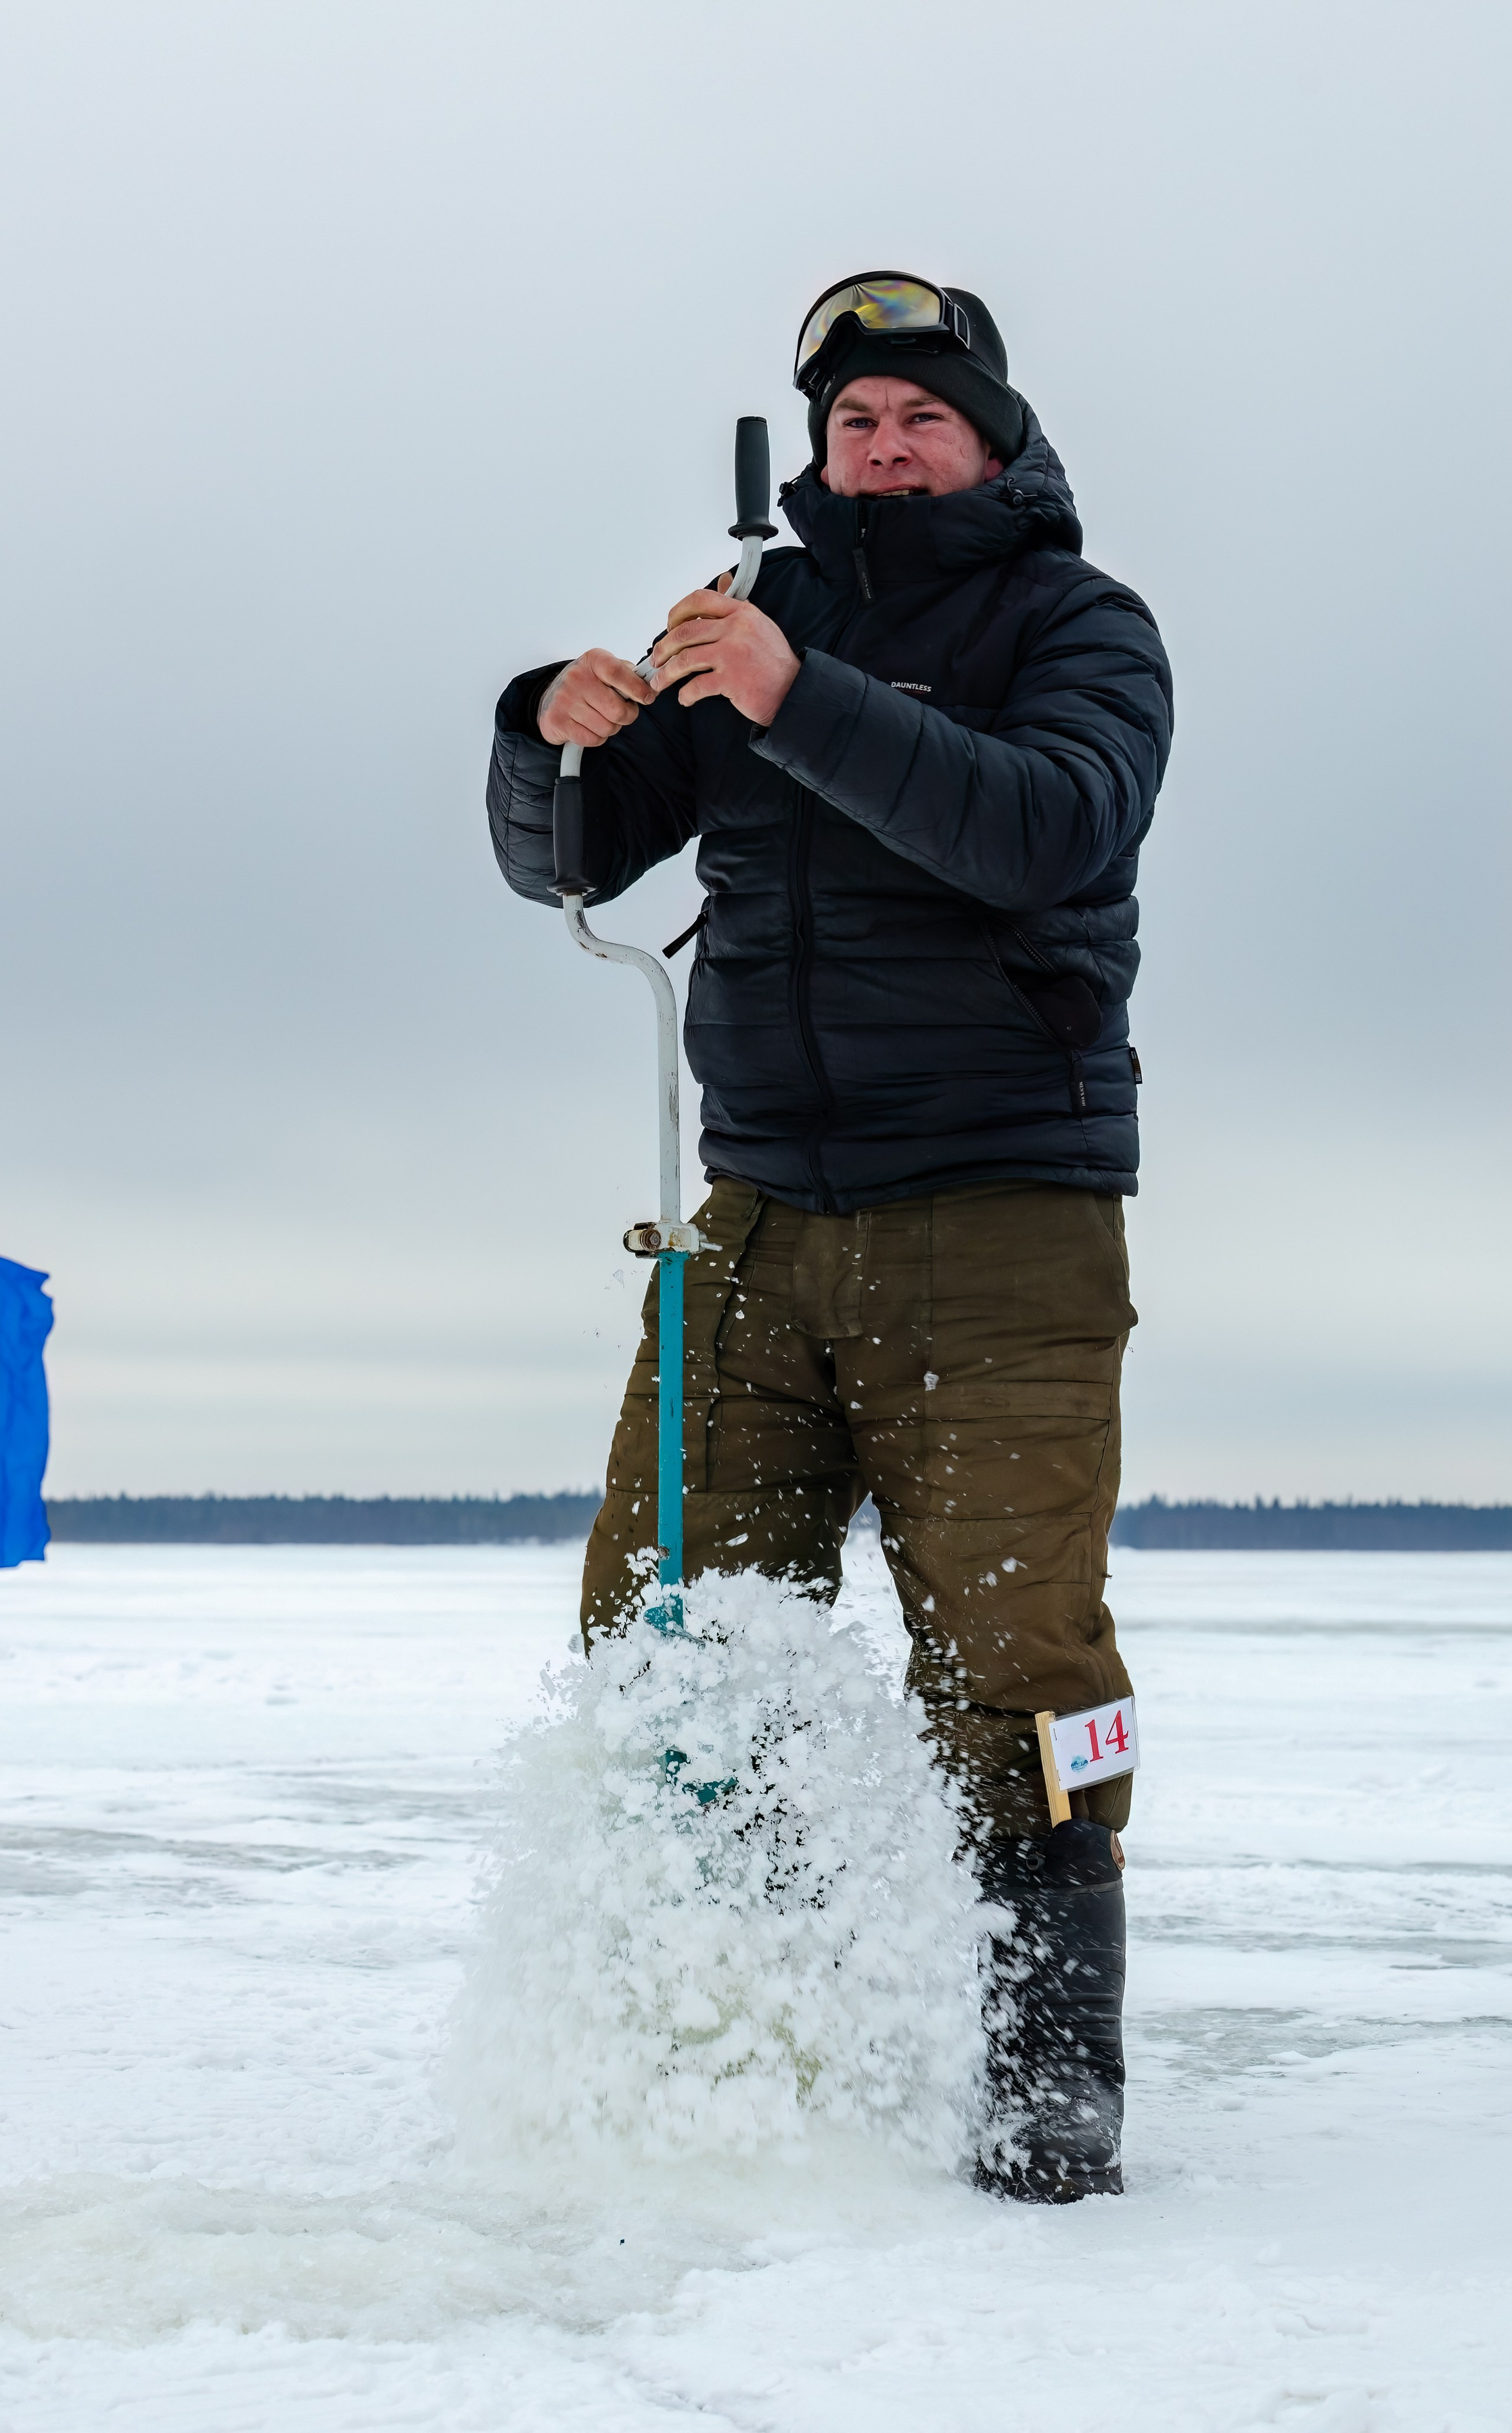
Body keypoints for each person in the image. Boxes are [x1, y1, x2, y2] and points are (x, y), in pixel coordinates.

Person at [486, 275, 1173, 2200]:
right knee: (672, 1638)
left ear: (995, 441)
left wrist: (807, 701)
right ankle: (729, 2043)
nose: (880, 447)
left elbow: (1054, 826)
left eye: (918, 417)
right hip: (760, 1220)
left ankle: (1051, 2090)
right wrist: (550, 728)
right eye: (853, 420)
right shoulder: (749, 617)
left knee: (1017, 1669)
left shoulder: (1080, 627)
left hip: (1005, 1219)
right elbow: (571, 852)